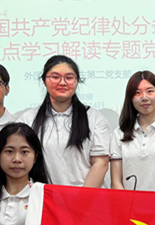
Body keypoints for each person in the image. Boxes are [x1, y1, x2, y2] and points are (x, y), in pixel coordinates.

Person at [17, 56, 111, 187]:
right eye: (55, 77)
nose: (62, 82)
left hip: (87, 195)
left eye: (69, 77)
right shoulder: (28, 119)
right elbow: (19, 160)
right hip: (44, 196)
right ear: (44, 81)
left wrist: (81, 197)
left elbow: (101, 163)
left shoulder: (94, 117)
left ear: (77, 81)